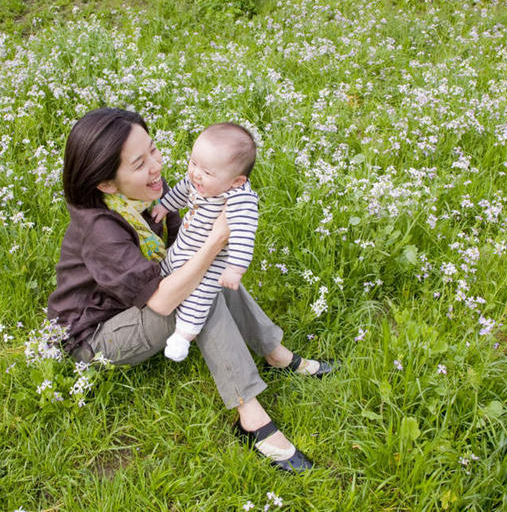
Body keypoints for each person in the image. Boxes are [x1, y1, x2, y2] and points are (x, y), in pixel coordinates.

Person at [46, 107, 335, 473]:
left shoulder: (148, 190)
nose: (156, 166)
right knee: (196, 292)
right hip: (94, 337)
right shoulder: (100, 230)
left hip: (137, 302)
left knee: (204, 278)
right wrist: (215, 243)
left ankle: (275, 354)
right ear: (105, 183)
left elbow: (183, 236)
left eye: (153, 149)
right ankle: (251, 419)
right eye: (139, 163)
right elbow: (166, 299)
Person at [150, 122, 259, 362]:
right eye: (194, 163)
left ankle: (183, 335)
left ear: (237, 181)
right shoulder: (200, 182)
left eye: (207, 172)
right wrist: (165, 206)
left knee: (199, 296)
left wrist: (235, 268)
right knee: (168, 265)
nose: (196, 173)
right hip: (184, 247)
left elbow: (243, 235)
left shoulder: (240, 200)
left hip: (212, 262)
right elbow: (182, 189)